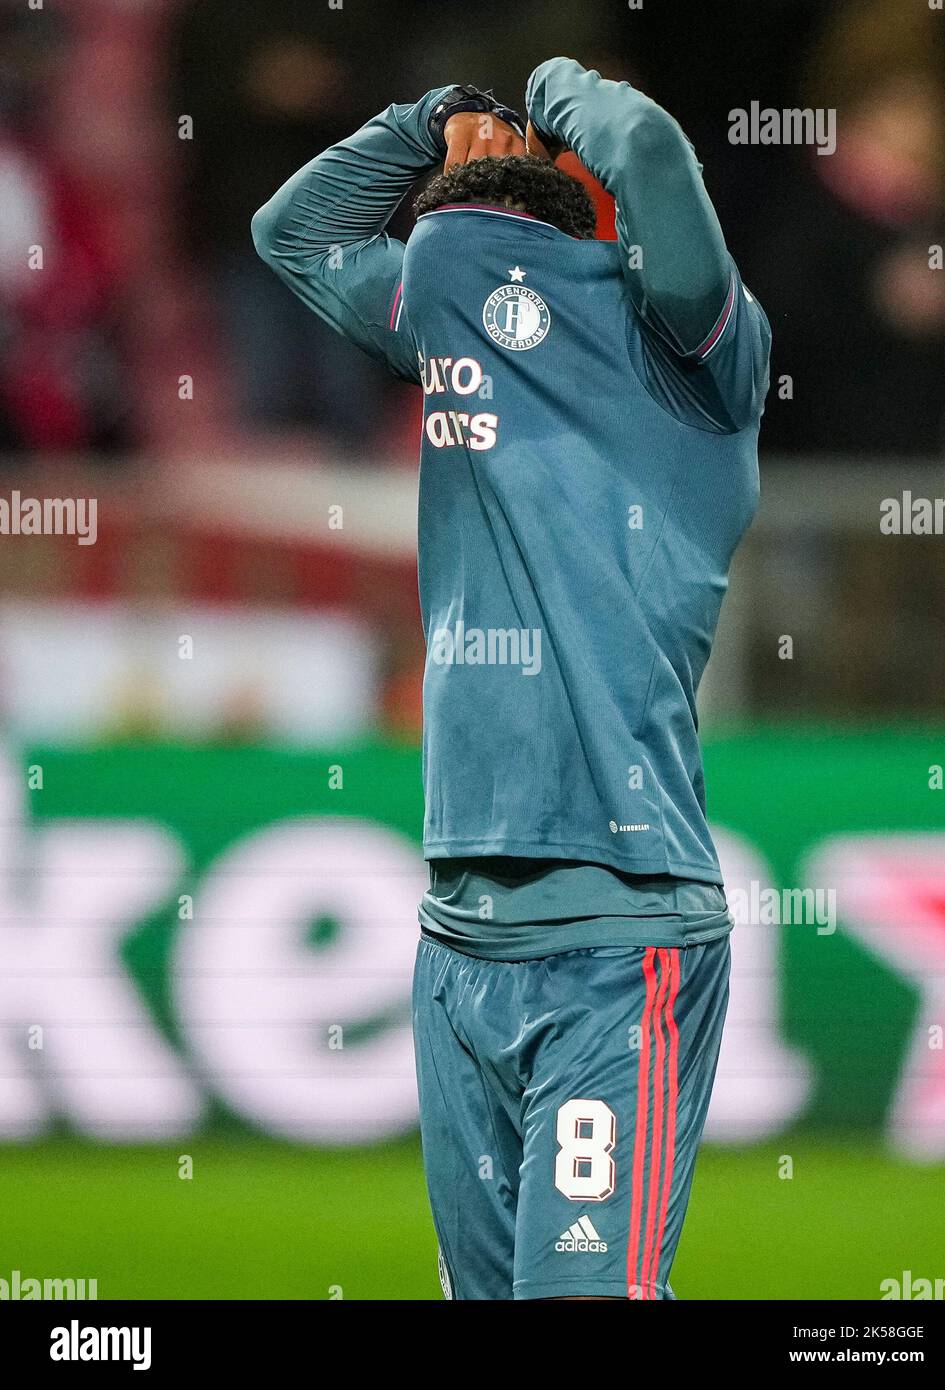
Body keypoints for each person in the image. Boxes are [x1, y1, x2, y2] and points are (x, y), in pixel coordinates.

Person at [253, 57, 771, 1301]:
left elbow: (641, 148)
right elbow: (290, 234)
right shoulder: (461, 323)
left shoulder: (689, 353)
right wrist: (440, 120)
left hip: (617, 929)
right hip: (460, 936)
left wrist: (515, 94)